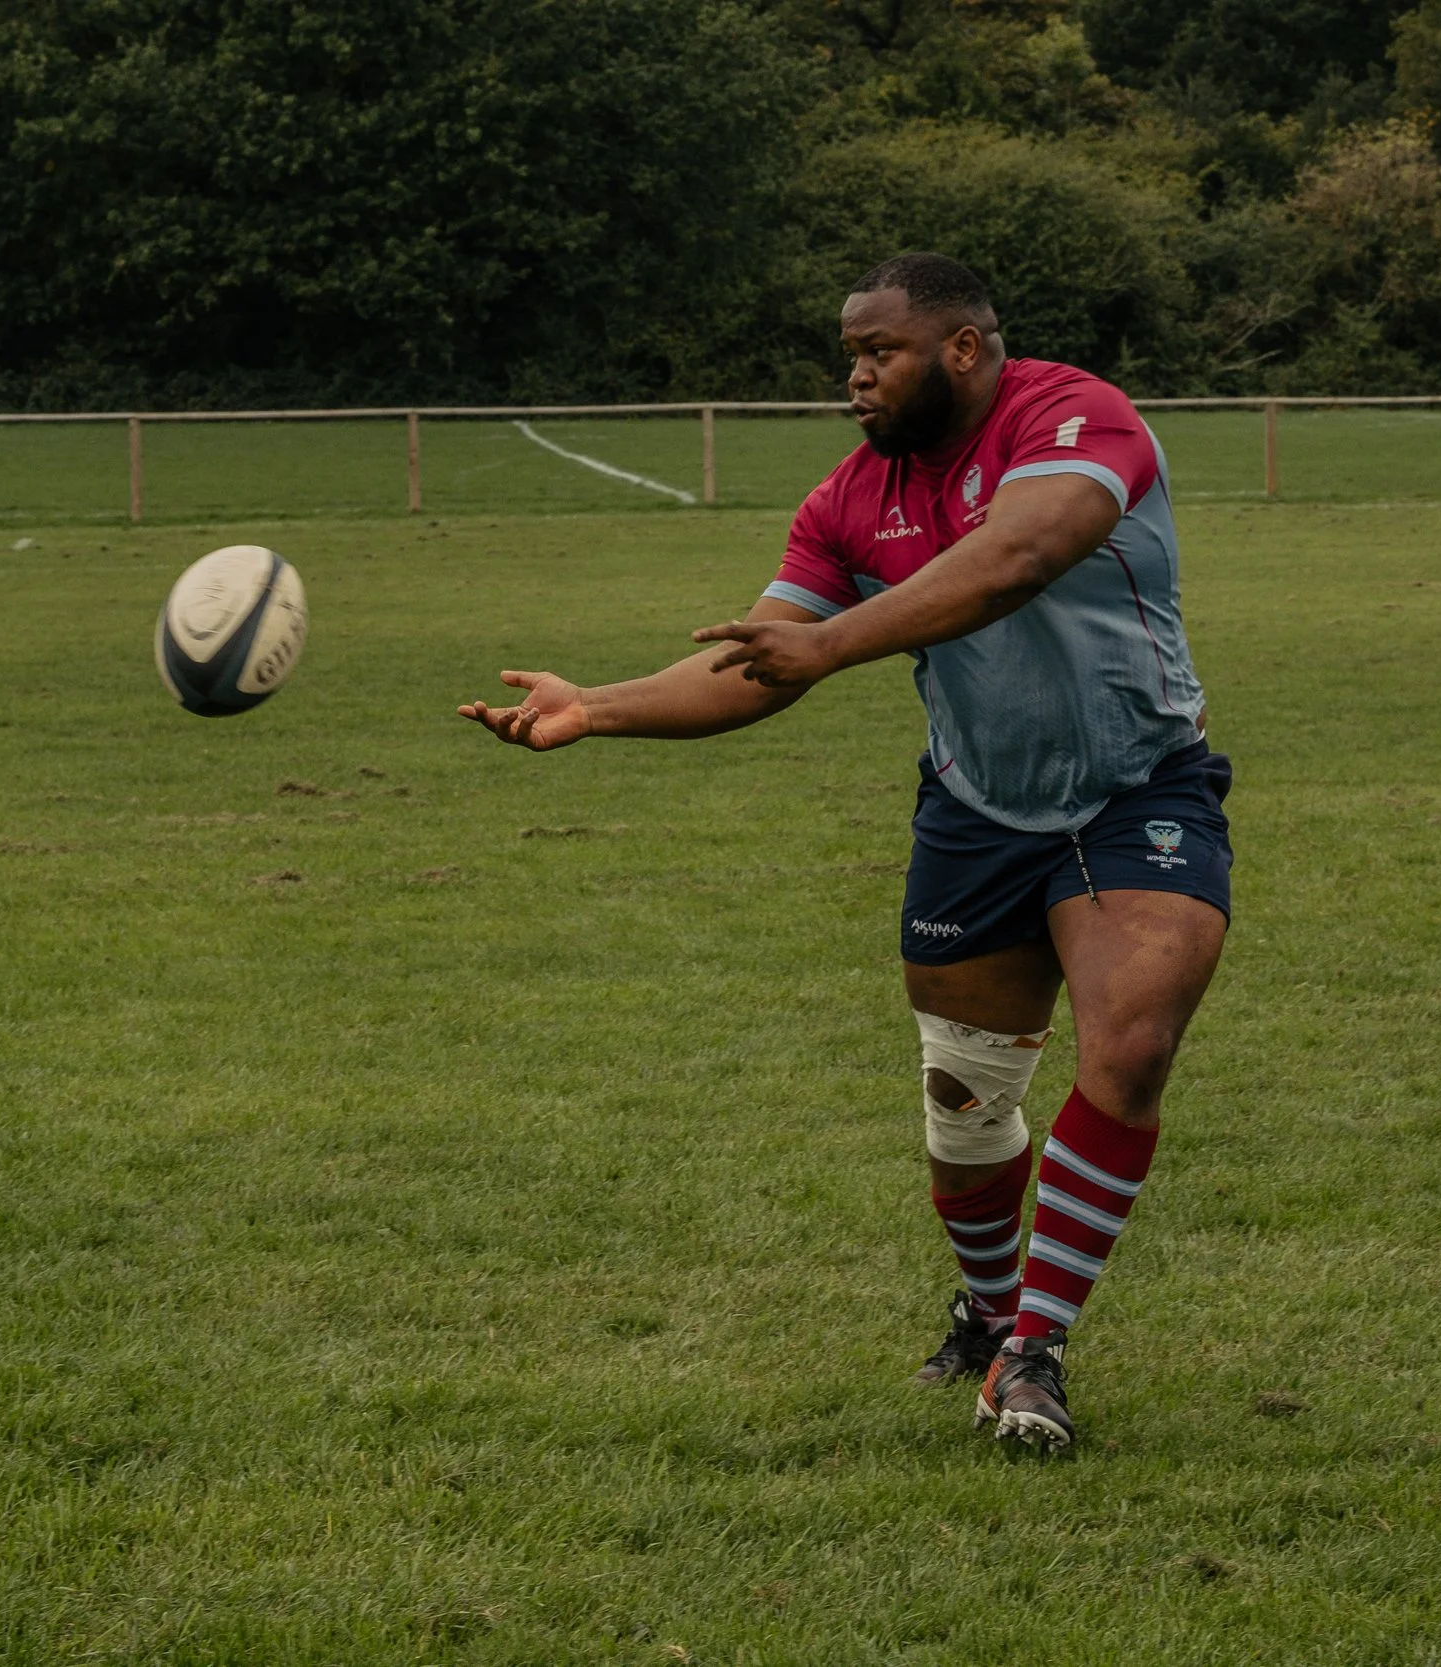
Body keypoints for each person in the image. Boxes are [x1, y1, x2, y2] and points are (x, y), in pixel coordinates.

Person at [459, 252, 1230, 1452]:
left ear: (963, 349)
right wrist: (596, 704)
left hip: (1139, 787)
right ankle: (984, 1307)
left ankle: (1031, 1351)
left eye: (881, 352)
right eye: (850, 357)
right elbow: (761, 653)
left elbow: (1018, 555)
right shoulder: (847, 501)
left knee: (1128, 1044)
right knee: (967, 1108)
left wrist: (835, 644)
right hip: (977, 811)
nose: (857, 377)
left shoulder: (1073, 417)